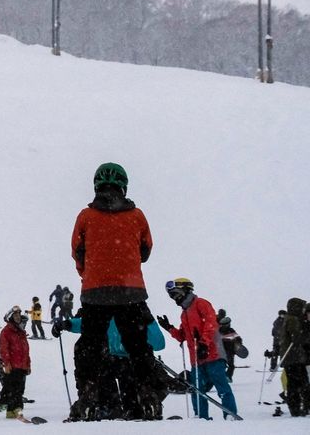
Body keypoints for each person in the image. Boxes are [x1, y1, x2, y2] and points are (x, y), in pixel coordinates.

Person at [70, 162, 160, 421]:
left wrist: (88, 274)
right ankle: (147, 395)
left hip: (95, 292)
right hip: (130, 291)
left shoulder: (85, 217)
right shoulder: (137, 216)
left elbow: (78, 252)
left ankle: (87, 394)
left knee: (90, 345)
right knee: (138, 346)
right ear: (124, 185)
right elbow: (145, 251)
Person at [55, 309, 167, 421]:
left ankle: (137, 406)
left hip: (130, 361)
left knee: (128, 376)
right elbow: (85, 323)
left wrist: (150, 322)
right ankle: (113, 407)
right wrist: (68, 324)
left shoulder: (133, 315)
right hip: (116, 360)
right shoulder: (107, 314)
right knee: (107, 372)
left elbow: (159, 343)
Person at [156, 278, 238, 420]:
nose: (175, 298)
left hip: (213, 355)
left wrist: (204, 344)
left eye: (176, 294)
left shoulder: (201, 304)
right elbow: (183, 336)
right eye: (172, 296)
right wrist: (169, 328)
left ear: (186, 290)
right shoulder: (184, 314)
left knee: (222, 387)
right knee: (196, 390)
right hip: (197, 359)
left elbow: (211, 324)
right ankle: (201, 417)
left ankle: (230, 415)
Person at [276, 297, 308, 416]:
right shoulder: (293, 319)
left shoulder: (288, 318)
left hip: (290, 357)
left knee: (293, 383)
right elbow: (296, 338)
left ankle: (296, 408)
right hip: (294, 357)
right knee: (300, 383)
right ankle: (297, 408)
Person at [0, 306, 31, 420]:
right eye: (15, 315)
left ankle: (11, 411)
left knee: (20, 388)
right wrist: (6, 363)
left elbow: (25, 349)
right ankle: (17, 409)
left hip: (22, 365)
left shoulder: (20, 332)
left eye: (19, 315)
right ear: (11, 317)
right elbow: (4, 349)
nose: (18, 317)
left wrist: (28, 364)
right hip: (12, 366)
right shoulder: (7, 331)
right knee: (14, 389)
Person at [216, 309, 247, 380]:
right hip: (227, 351)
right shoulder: (229, 330)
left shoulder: (222, 330)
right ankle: (226, 377)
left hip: (226, 351)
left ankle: (225, 377)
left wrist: (238, 344)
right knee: (230, 365)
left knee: (225, 365)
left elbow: (238, 339)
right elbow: (238, 339)